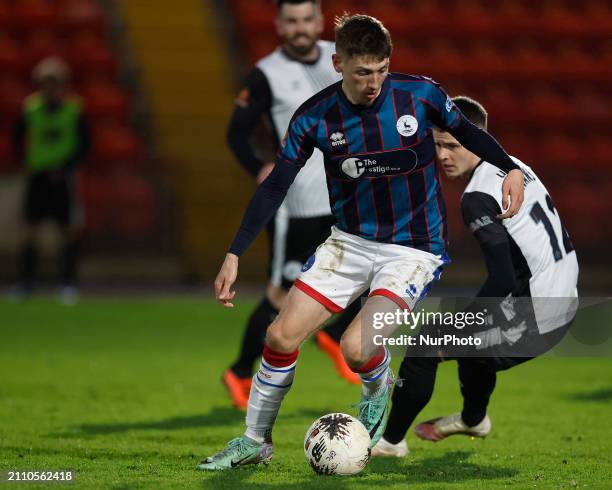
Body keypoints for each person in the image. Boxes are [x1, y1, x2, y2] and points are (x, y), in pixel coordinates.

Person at [200, 16, 524, 471]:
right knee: (279, 335)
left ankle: (375, 384)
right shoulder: (314, 117)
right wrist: (235, 252)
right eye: (361, 73)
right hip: (349, 242)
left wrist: (508, 167)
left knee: (356, 350)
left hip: (413, 249)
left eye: (380, 70)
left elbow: (470, 134)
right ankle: (255, 441)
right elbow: (275, 187)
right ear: (338, 63)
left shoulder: (421, 96)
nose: (373, 83)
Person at [372, 96, 579, 458]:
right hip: (559, 297)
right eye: (437, 144)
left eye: (453, 145)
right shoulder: (515, 166)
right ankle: (473, 419)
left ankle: (390, 444)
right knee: (473, 348)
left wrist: (463, 321)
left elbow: (499, 279)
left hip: (541, 314)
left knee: (426, 345)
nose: (443, 156)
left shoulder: (478, 196)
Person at [224, 0, 361, 411]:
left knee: (370, 268)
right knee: (281, 297)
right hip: (296, 207)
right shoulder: (266, 74)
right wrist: (259, 167)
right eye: (292, 21)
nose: (300, 28)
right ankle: (240, 372)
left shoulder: (340, 62)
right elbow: (236, 134)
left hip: (343, 198)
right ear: (279, 25)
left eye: (307, 20)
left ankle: (333, 336)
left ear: (319, 21)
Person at [11, 56, 91, 305]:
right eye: (46, 82)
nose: (50, 87)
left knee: (67, 232)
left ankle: (67, 284)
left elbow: (85, 144)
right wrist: (28, 164)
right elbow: (17, 140)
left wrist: (66, 166)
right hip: (38, 176)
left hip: (63, 179)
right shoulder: (30, 108)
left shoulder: (73, 110)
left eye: (55, 82)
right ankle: (26, 283)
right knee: (30, 232)